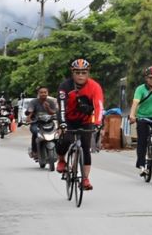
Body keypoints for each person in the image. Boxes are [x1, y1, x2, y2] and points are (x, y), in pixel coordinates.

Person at [56, 59, 104, 190]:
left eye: (84, 72)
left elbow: (99, 106)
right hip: (67, 119)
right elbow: (61, 107)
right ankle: (61, 159)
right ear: (72, 73)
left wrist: (98, 123)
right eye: (77, 72)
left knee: (85, 148)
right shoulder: (64, 87)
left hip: (85, 120)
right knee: (65, 139)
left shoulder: (94, 87)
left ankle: (85, 179)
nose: (81, 75)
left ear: (88, 73)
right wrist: (62, 123)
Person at [25, 86, 58, 159]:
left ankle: (58, 151)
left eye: (45, 92)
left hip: (49, 122)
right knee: (35, 132)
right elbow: (30, 110)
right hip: (37, 122)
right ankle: (35, 151)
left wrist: (48, 108)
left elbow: (54, 112)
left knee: (57, 134)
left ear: (47, 93)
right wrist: (29, 118)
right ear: (38, 93)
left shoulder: (51, 102)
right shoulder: (33, 102)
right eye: (41, 92)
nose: (43, 94)